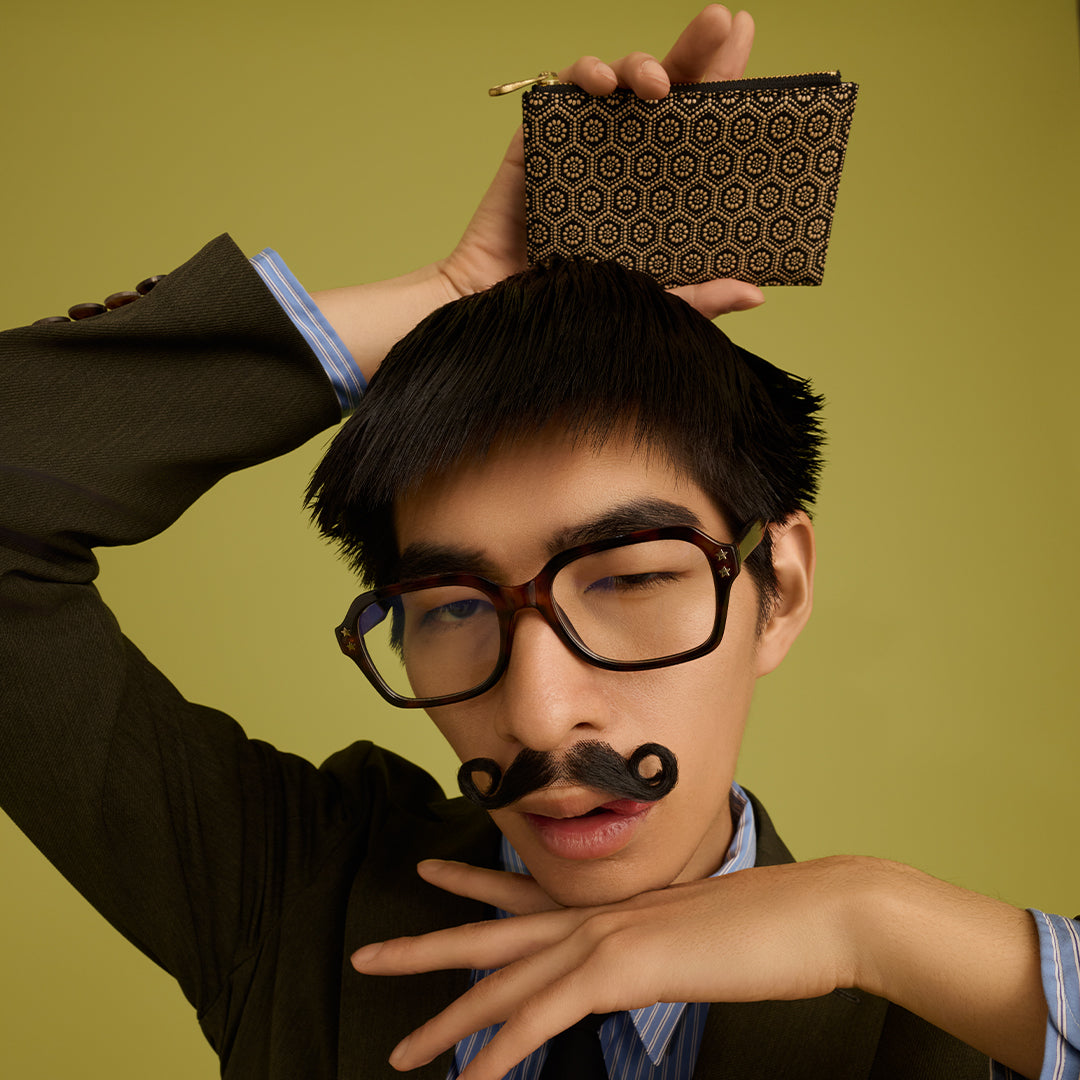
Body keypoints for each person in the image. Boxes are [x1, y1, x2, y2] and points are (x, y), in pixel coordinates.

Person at [0, 7, 1076, 1080]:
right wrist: (454, 301)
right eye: (453, 609)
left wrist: (868, 919)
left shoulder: (955, 1016)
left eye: (630, 581)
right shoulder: (297, 898)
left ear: (780, 588)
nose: (539, 714)